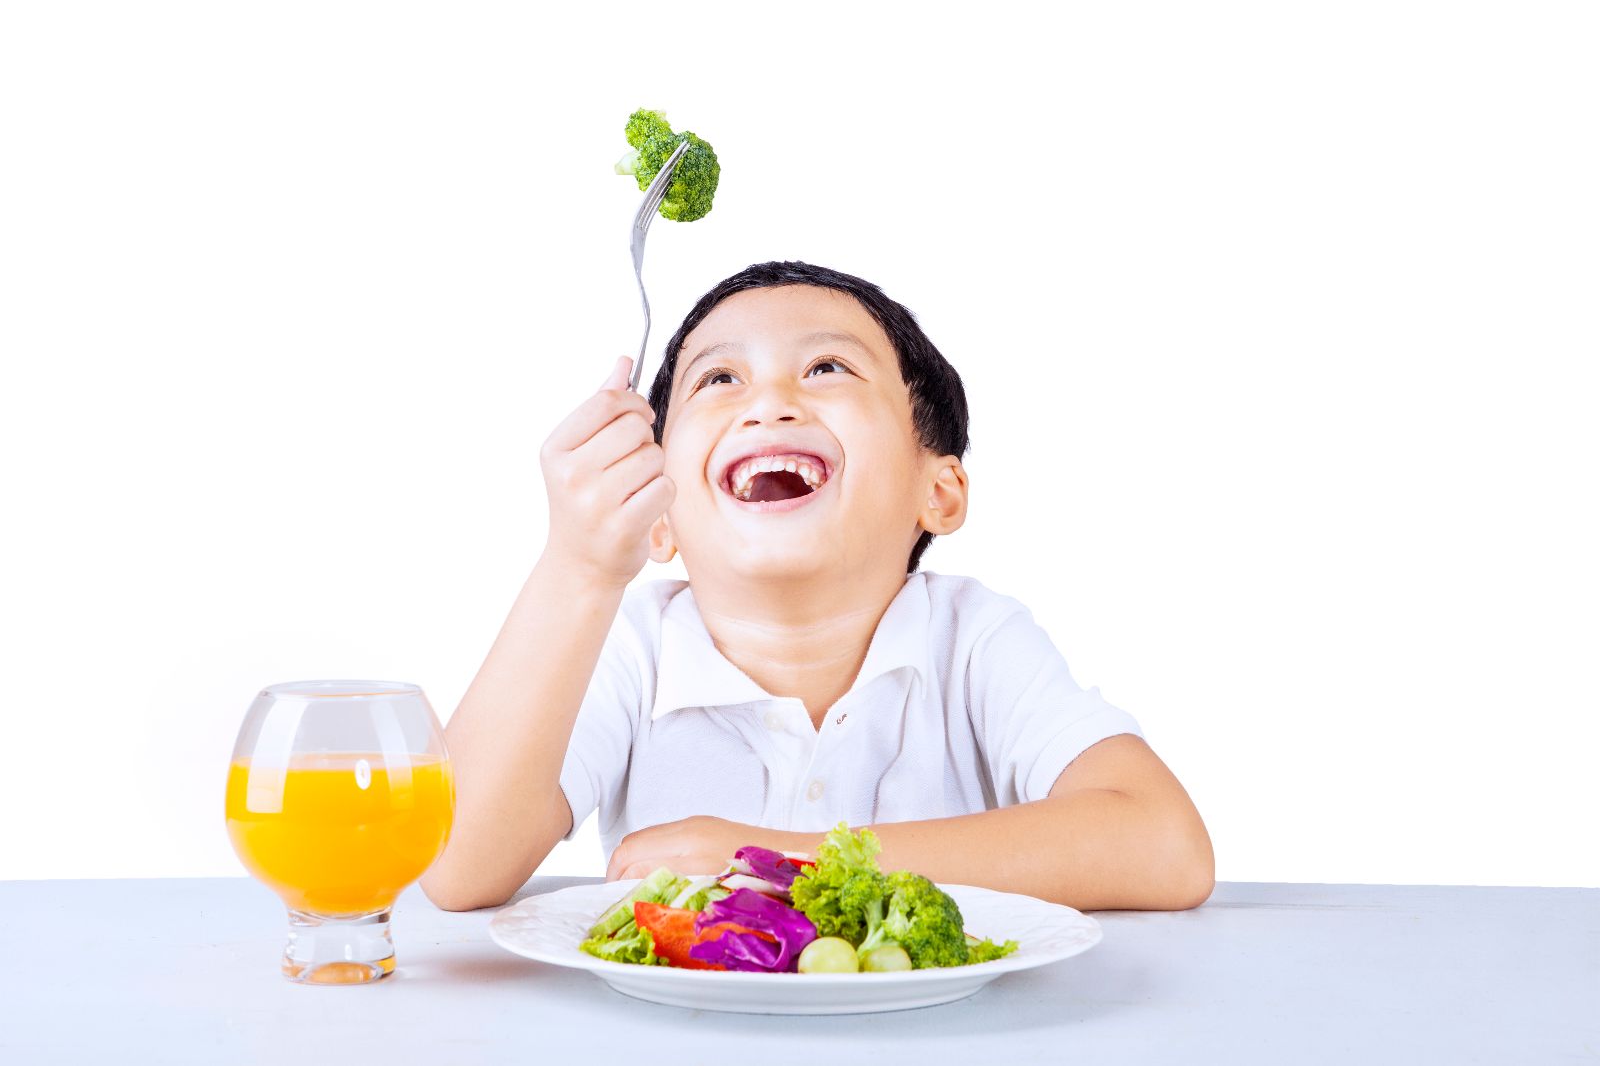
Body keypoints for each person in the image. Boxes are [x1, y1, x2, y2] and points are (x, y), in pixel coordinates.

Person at [421, 261, 1214, 912]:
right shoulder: (627, 644)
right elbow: (454, 865)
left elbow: (1164, 845)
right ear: (659, 512)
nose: (770, 402)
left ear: (936, 492)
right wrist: (580, 565)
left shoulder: (976, 638)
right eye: (719, 378)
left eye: (826, 367)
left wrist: (775, 860)